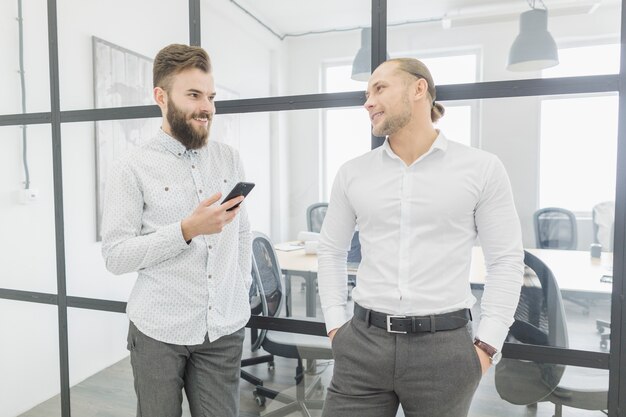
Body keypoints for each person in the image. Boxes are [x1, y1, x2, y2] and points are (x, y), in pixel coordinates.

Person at [317, 57, 524, 417]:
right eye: (367, 93)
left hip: (445, 350)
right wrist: (336, 326)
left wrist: (488, 346)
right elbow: (331, 251)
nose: (367, 101)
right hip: (363, 344)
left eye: (379, 88)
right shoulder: (353, 173)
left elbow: (505, 260)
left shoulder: (481, 168)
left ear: (418, 88)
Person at [101, 44, 252, 417]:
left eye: (211, 97)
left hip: (223, 331)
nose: (207, 108)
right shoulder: (131, 167)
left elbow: (243, 233)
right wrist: (185, 229)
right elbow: (116, 256)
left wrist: (241, 286)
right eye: (194, 96)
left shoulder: (229, 157)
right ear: (161, 96)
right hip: (157, 333)